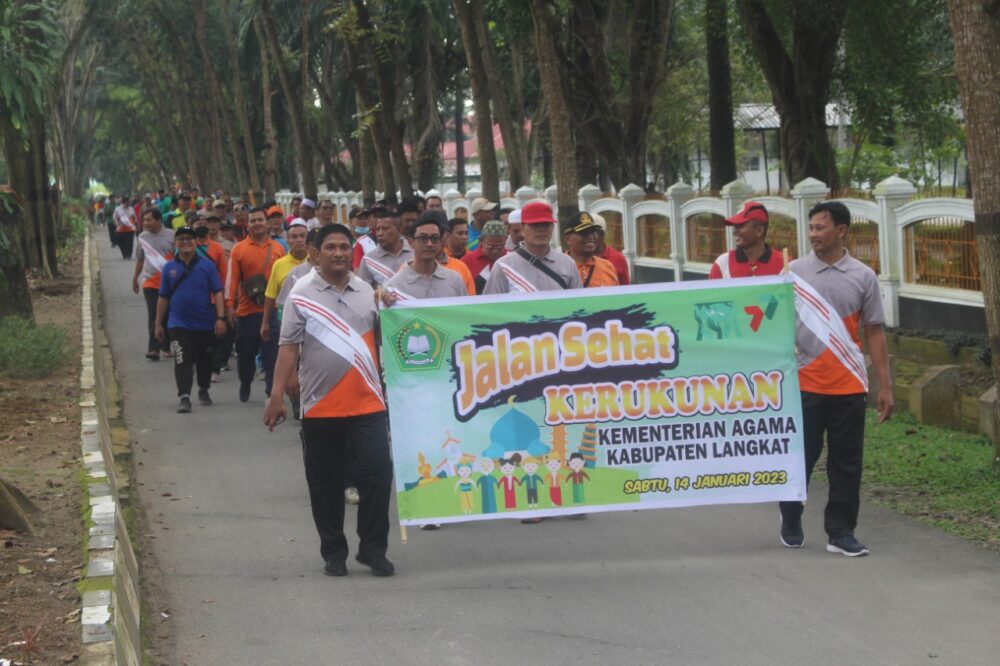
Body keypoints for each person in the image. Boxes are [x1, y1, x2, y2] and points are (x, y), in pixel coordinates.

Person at [263, 223, 395, 578]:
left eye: (344, 247)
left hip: (368, 402)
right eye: (331, 247)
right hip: (320, 407)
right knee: (324, 483)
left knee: (378, 475)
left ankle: (372, 549)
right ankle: (334, 551)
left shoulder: (369, 292)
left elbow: (388, 339)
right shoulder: (300, 294)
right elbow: (288, 347)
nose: (339, 253)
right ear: (316, 253)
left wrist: (395, 309)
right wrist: (276, 396)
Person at [778, 201, 893, 557]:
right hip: (804, 385)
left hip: (849, 385)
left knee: (846, 462)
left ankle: (840, 531)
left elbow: (874, 332)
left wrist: (885, 387)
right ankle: (791, 514)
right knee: (802, 458)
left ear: (841, 230)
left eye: (820, 227)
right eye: (811, 227)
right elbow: (776, 323)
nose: (813, 234)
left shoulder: (863, 276)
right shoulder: (793, 272)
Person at [155, 227, 227, 413]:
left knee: (204, 359)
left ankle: (203, 389)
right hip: (178, 323)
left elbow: (218, 292)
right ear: (176, 243)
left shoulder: (207, 266)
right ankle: (184, 396)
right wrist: (158, 323)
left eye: (189, 239)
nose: (185, 242)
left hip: (205, 322)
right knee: (181, 359)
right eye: (181, 239)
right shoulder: (169, 268)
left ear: (196, 242)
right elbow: (163, 297)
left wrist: (220, 317)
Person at [225, 205, 286, 402]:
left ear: (267, 223)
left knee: (271, 355)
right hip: (246, 312)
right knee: (246, 354)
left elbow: (285, 279)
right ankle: (245, 381)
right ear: (247, 224)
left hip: (273, 310)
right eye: (253, 221)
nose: (257, 224)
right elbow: (232, 280)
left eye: (260, 220)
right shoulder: (239, 249)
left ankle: (270, 390)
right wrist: (229, 305)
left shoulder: (278, 248)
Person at [483, 201, 583, 295]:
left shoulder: (567, 263)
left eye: (546, 225)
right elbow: (490, 308)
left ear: (552, 228)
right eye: (534, 225)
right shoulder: (503, 266)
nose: (541, 230)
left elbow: (580, 304)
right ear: (522, 229)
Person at [383, 214, 469, 304]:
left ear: (440, 242)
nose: (429, 244)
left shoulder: (455, 280)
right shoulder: (393, 286)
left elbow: (465, 314)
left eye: (434, 238)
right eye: (423, 238)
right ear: (411, 241)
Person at [133, 208, 175, 360]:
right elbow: (140, 259)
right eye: (144, 220)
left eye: (148, 220)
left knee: (168, 314)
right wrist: (135, 278)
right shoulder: (142, 237)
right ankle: (153, 349)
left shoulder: (172, 235)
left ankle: (165, 345)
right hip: (150, 281)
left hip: (170, 282)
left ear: (158, 220)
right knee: (153, 314)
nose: (145, 223)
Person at [708, 200, 785, 279]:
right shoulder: (722, 264)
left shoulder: (785, 265)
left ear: (759, 230)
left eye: (740, 225)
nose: (734, 231)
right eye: (735, 226)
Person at [355, 208, 413, 287]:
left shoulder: (415, 255)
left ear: (399, 230)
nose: (380, 233)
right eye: (378, 229)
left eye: (385, 229)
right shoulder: (368, 260)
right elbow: (362, 291)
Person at [563, 213, 619, 288]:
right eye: (583, 232)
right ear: (568, 239)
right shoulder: (558, 268)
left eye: (593, 231)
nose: (591, 236)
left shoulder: (608, 267)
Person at [462, 219, 508, 294]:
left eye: (500, 246)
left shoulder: (511, 259)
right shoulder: (467, 261)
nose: (495, 251)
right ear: (480, 241)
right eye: (490, 246)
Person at [591, 213, 630, 285]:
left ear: (602, 235)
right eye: (585, 233)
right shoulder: (576, 259)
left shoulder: (618, 258)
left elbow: (625, 289)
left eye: (593, 233)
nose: (589, 237)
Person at [114, 195, 137, 259]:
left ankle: (128, 255)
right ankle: (124, 253)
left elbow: (135, 218)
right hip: (121, 229)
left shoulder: (131, 209)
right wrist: (117, 224)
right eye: (128, 202)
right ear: (124, 202)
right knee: (120, 242)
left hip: (130, 229)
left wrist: (135, 224)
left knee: (129, 243)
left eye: (129, 202)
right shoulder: (118, 209)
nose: (129, 203)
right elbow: (115, 218)